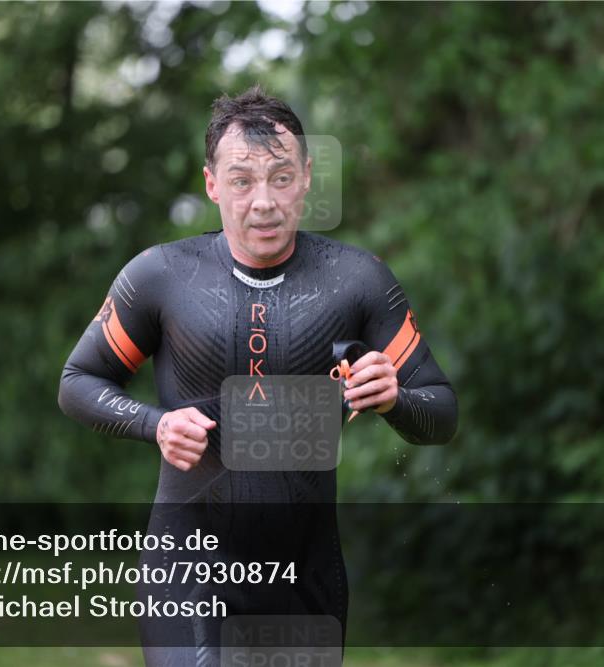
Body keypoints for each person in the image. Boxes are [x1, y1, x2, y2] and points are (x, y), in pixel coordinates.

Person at [59, 85, 457, 665]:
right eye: (242, 180)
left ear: (307, 178)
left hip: (305, 579)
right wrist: (156, 423)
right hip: (186, 567)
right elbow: (78, 381)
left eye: (281, 177)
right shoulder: (161, 276)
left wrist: (396, 398)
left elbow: (441, 413)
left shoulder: (357, 282)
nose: (263, 202)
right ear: (212, 183)